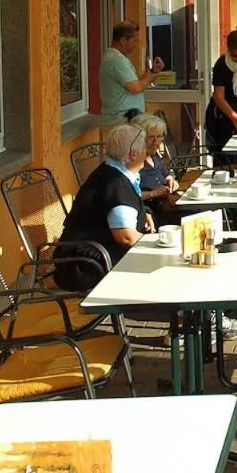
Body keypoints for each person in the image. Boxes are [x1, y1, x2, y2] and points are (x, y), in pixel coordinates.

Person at [54, 123, 153, 291]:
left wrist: (145, 213)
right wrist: (156, 246)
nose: (148, 152)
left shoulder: (115, 171)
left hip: (90, 255)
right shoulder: (115, 182)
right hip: (86, 265)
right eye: (145, 147)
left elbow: (126, 206)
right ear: (133, 154)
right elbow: (126, 237)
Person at [99, 21, 163, 122]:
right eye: (135, 41)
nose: (136, 45)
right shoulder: (117, 60)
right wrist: (151, 77)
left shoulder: (117, 57)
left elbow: (135, 81)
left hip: (124, 119)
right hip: (122, 121)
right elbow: (136, 88)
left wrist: (153, 71)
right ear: (123, 40)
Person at [131, 113, 180, 224]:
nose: (156, 142)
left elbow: (165, 174)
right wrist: (153, 193)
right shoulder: (133, 162)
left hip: (168, 205)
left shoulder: (153, 155)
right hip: (151, 214)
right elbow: (127, 196)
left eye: (159, 137)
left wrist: (170, 180)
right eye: (151, 137)